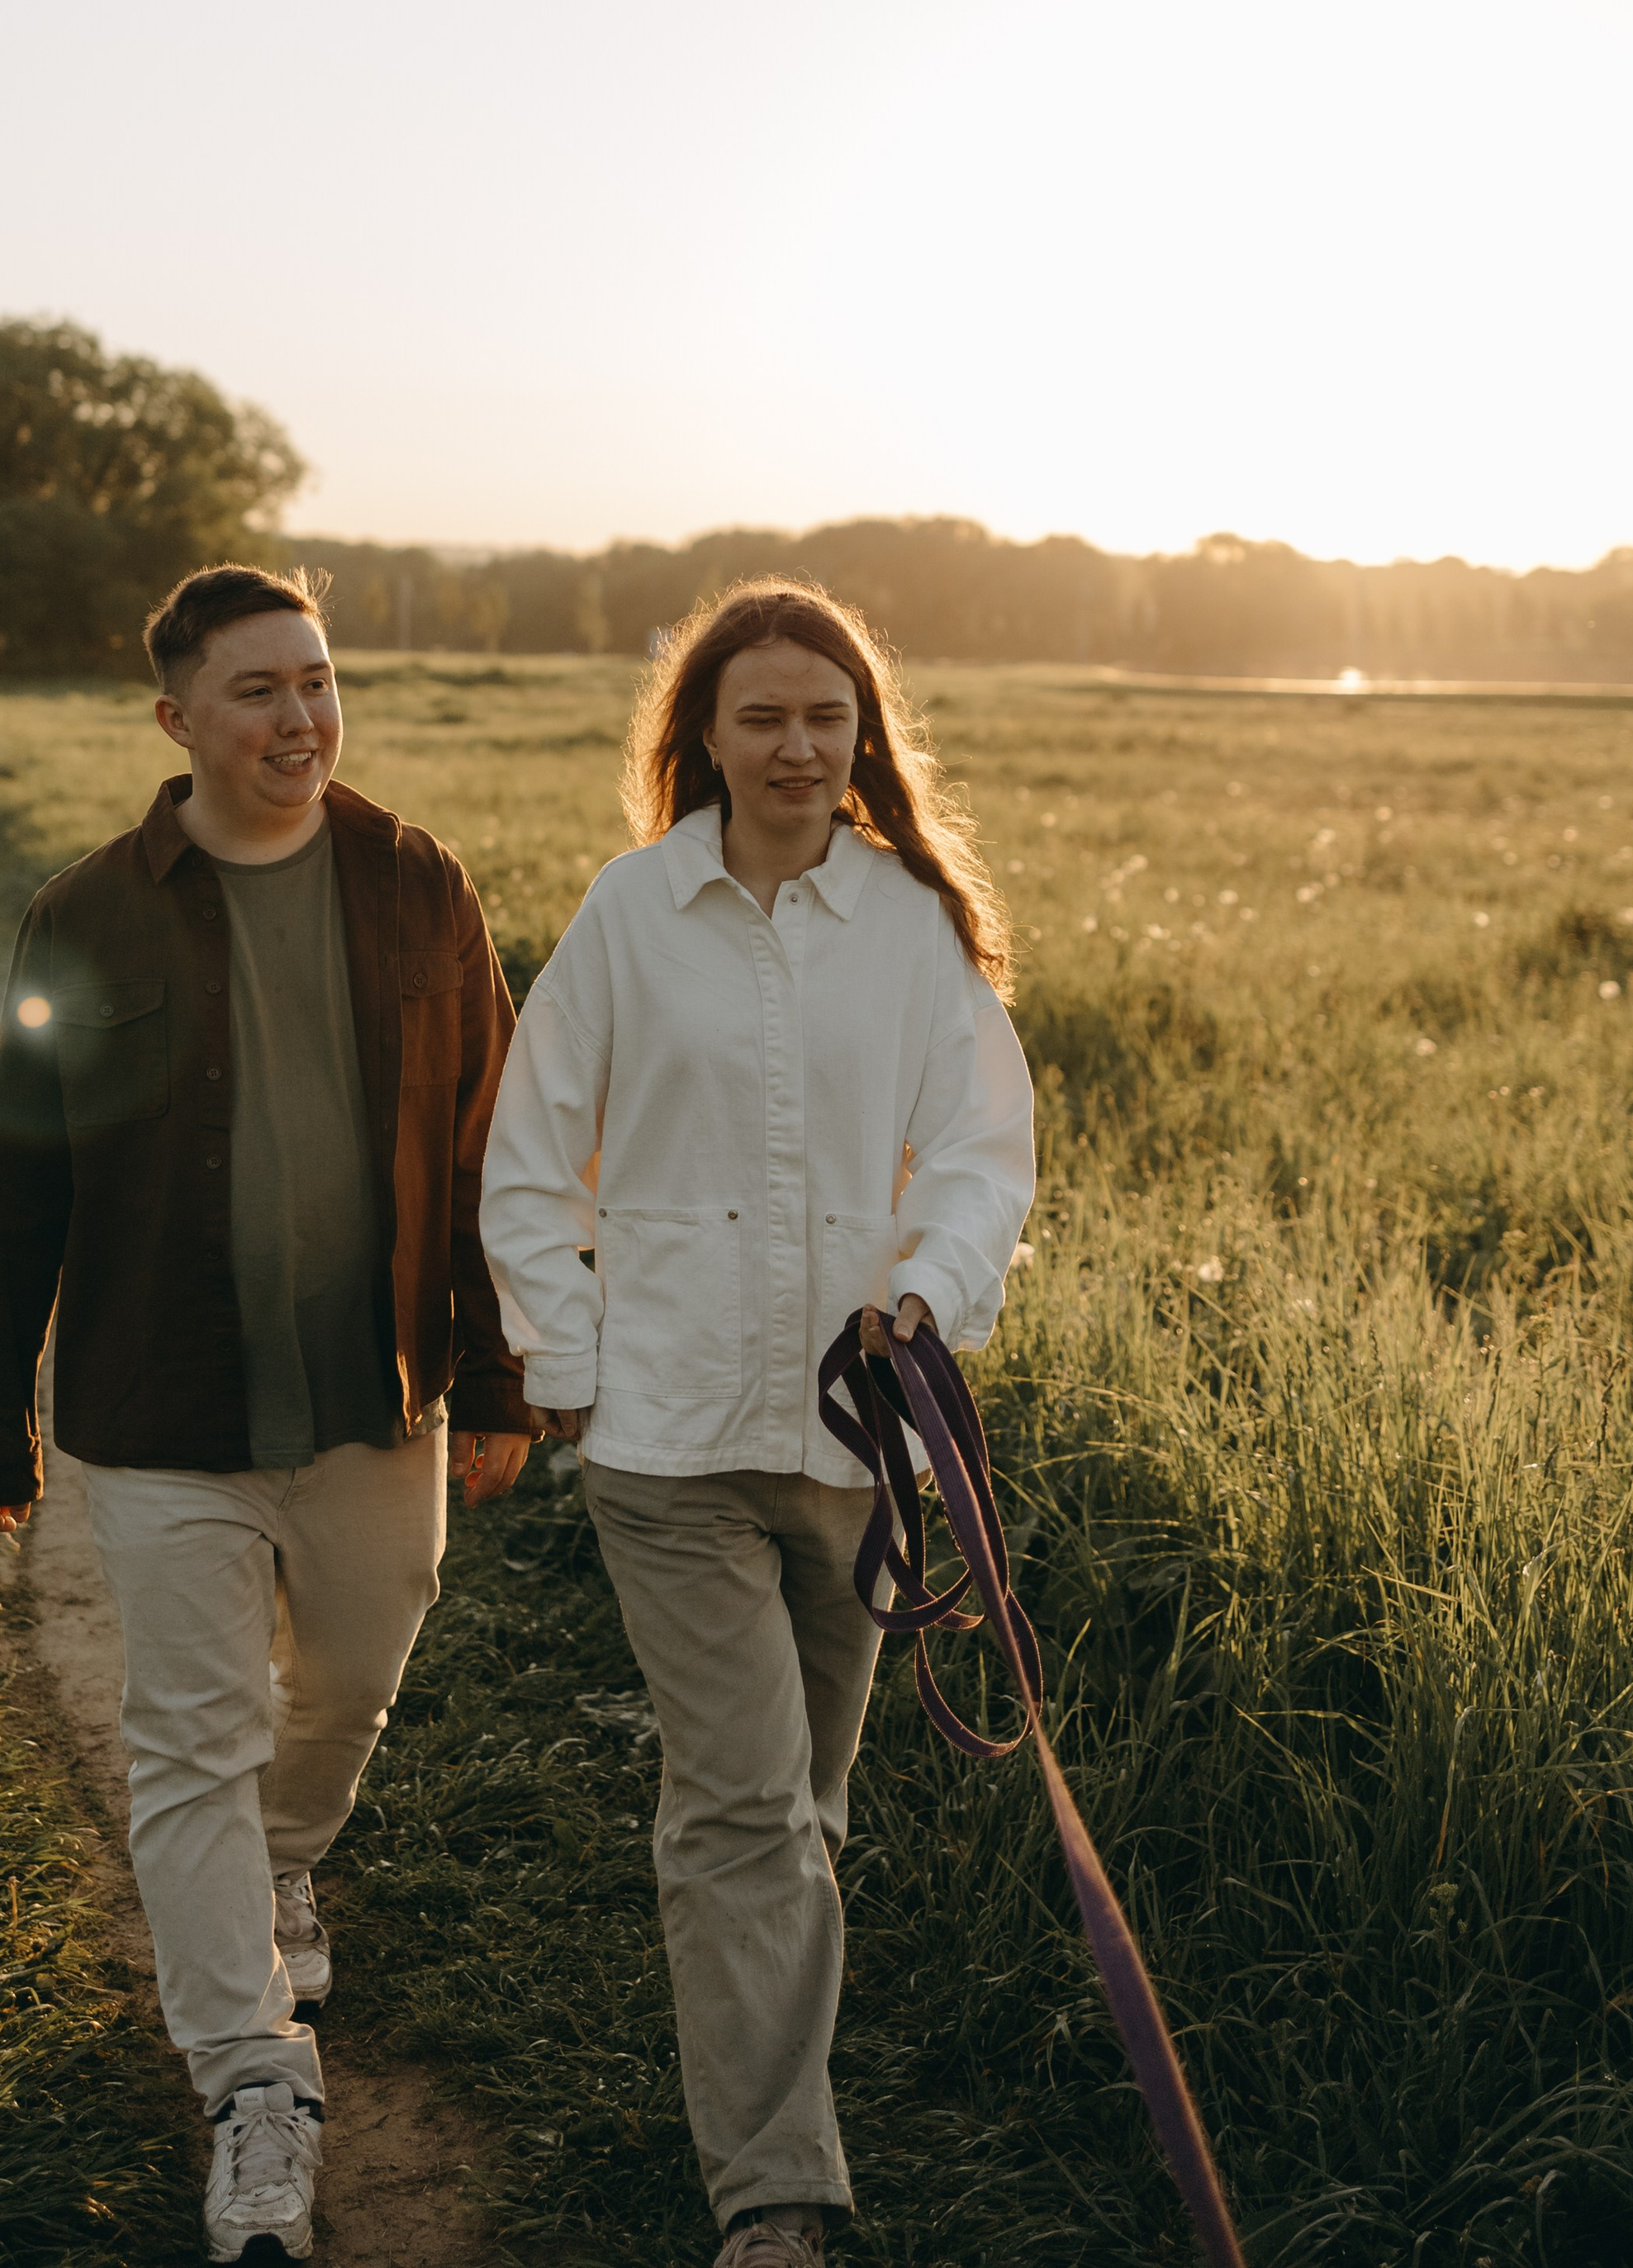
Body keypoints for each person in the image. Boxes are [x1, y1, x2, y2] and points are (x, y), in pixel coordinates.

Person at [0, 562, 530, 2266]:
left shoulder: (416, 882)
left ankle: (284, 1861)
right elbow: (21, 1180)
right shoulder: (88, 915)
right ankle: (253, 2083)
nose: (299, 719)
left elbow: (487, 1146)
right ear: (176, 717)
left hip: (372, 1396)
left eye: (319, 681)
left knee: (351, 1670)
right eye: (258, 690)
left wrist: (493, 1373)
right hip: (156, 1405)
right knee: (189, 1734)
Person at [479, 579, 1036, 2268]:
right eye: (761, 719)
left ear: (861, 736)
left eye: (825, 718)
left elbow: (978, 1153)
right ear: (700, 740)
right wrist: (564, 1359)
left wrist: (930, 1291)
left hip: (855, 1444)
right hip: (665, 1438)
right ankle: (778, 2193)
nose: (797, 748)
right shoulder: (629, 913)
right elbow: (527, 1153)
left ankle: (756, 2085)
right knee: (741, 1811)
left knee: (804, 1811)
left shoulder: (911, 926)